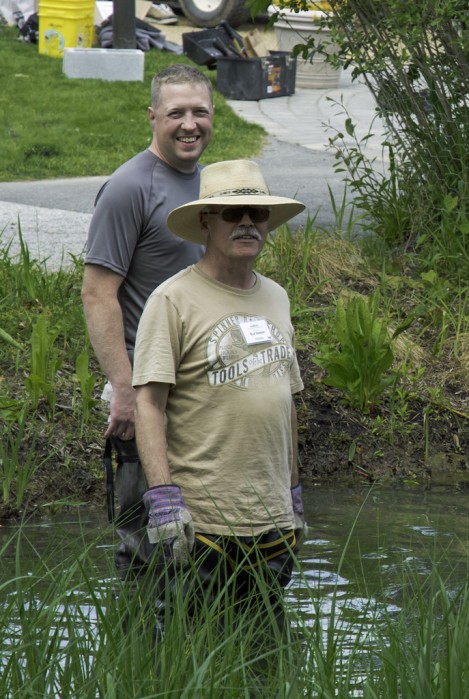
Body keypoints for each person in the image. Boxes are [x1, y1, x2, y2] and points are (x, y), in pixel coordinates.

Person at [132, 159, 307, 635]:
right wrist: (164, 499)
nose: (247, 222)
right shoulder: (172, 300)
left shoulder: (278, 297)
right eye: (232, 213)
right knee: (195, 653)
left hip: (271, 522)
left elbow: (286, 398)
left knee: (266, 651)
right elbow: (148, 404)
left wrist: (293, 492)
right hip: (202, 523)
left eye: (257, 212)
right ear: (206, 222)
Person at [81, 63, 214, 585]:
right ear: (152, 116)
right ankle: (141, 649)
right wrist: (124, 389)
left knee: (199, 533)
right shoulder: (130, 186)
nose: (189, 124)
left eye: (199, 112)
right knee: (145, 543)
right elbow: (97, 293)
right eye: (176, 112)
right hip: (144, 389)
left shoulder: (210, 183)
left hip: (196, 387)